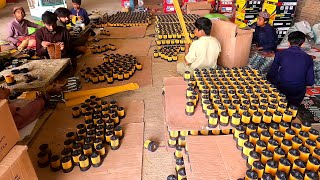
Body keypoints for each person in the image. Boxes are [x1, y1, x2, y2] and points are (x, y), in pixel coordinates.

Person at [267, 31, 315, 106]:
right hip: (297, 92)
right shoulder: (308, 58)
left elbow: (272, 72)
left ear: (289, 42)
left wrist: (271, 84)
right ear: (302, 44)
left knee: (277, 104)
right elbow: (310, 81)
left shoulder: (280, 54)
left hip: (282, 88)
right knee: (293, 108)